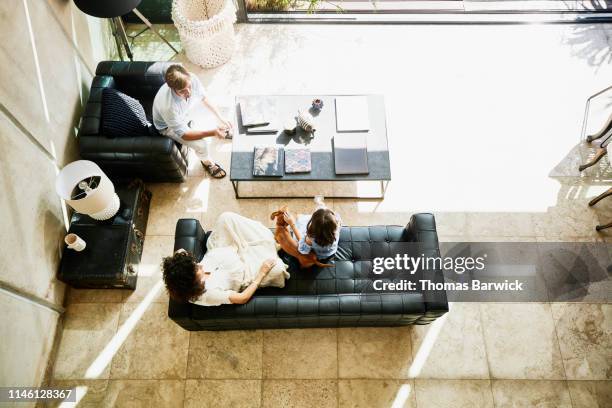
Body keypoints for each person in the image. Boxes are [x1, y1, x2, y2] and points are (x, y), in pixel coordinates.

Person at [162, 212, 289, 306]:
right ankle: (271, 245)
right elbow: (242, 298)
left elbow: (180, 252)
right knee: (277, 269)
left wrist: (178, 264)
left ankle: (268, 244)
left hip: (220, 250)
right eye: (196, 269)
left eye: (195, 264)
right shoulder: (207, 295)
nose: (200, 266)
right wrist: (262, 272)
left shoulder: (185, 271)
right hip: (246, 271)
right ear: (192, 283)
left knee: (225, 218)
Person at [152, 64, 232, 178]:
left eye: (189, 86)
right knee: (202, 144)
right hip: (167, 127)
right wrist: (212, 132)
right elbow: (185, 135)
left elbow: (204, 98)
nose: (189, 92)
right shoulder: (168, 106)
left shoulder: (192, 78)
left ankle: (222, 129)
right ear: (172, 88)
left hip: (184, 112)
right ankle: (207, 162)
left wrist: (220, 117)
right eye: (183, 91)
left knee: (220, 109)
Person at [270, 196, 342, 268]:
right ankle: (320, 204)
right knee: (323, 216)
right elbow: (326, 219)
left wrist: (292, 224)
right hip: (329, 251)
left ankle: (320, 205)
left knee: (300, 223)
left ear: (313, 227)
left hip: (319, 254)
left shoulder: (310, 238)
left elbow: (303, 249)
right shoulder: (336, 226)